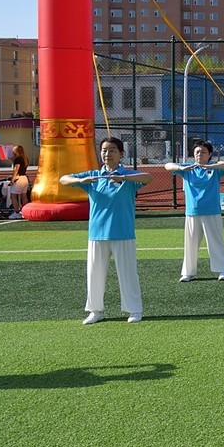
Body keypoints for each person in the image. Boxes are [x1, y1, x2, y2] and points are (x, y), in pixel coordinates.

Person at [60, 137, 153, 324]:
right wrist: (82, 179)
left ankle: (134, 310)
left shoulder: (128, 176)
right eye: (104, 150)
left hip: (123, 233)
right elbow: (63, 179)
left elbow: (148, 177)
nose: (107, 154)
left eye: (112, 150)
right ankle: (96, 310)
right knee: (94, 274)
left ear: (121, 154)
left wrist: (123, 177)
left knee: (128, 273)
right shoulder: (94, 176)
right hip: (97, 234)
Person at [165, 141, 224, 282]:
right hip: (192, 212)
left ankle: (222, 270)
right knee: (190, 244)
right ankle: (188, 272)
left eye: (203, 152)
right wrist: (181, 168)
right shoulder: (188, 169)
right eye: (197, 152)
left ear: (209, 154)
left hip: (212, 212)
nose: (199, 155)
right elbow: (167, 166)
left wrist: (211, 165)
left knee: (216, 242)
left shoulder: (215, 169)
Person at [7, 145, 29, 218]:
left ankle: (16, 212)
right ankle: (25, 211)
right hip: (24, 178)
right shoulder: (25, 158)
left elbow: (17, 169)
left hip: (18, 179)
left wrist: (12, 180)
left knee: (13, 196)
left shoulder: (18, 158)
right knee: (24, 196)